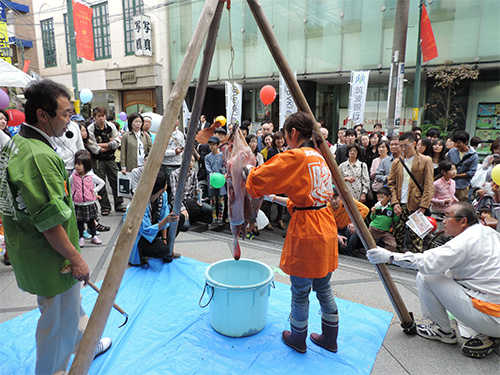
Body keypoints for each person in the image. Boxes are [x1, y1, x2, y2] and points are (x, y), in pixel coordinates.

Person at [0, 79, 111, 374]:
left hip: (37, 248)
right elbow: (49, 222)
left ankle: (84, 344)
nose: (70, 121)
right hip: (51, 253)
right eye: (64, 113)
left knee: (70, 307)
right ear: (42, 114)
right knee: (57, 321)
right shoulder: (38, 156)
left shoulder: (18, 143)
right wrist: (76, 258)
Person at [246, 111, 339, 354]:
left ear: (293, 133)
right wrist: (279, 198)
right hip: (325, 222)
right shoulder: (320, 156)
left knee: (300, 291)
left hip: (308, 229)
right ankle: (330, 338)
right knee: (324, 287)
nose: (284, 140)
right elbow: (309, 197)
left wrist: (248, 170)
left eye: (285, 136)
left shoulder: (296, 156)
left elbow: (259, 180)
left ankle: (298, 337)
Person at [367, 202, 500, 359]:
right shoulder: (488, 232)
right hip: (492, 309)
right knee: (448, 273)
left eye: (447, 216)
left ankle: (443, 331)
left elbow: (426, 262)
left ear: (463, 221)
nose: (443, 221)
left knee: (426, 276)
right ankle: (484, 332)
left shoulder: (462, 242)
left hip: (490, 316)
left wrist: (390, 256)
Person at [388, 132, 434, 253]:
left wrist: (424, 206)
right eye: (400, 146)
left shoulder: (425, 160)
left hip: (416, 203)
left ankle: (415, 261)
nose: (403, 149)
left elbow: (429, 185)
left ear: (414, 144)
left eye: (405, 146)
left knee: (416, 237)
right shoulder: (397, 162)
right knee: (397, 234)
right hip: (399, 203)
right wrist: (394, 202)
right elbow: (391, 183)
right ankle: (397, 258)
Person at [125, 171, 182, 266]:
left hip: (154, 229)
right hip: (138, 236)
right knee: (163, 250)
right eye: (166, 184)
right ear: (161, 189)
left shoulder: (163, 195)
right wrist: (166, 221)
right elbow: (145, 230)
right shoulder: (140, 203)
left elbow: (164, 215)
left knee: (179, 219)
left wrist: (165, 239)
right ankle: (142, 253)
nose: (166, 186)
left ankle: (162, 245)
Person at [87, 106, 125, 215]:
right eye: (98, 116)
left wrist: (103, 145)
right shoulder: (91, 129)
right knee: (100, 182)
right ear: (94, 117)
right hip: (98, 160)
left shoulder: (111, 126)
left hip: (111, 158)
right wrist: (109, 145)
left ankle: (119, 204)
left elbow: (117, 143)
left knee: (115, 180)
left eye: (103, 116)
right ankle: (105, 207)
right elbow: (94, 148)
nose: (101, 119)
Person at [70, 150, 105, 247]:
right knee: (79, 221)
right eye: (76, 164)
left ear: (86, 165)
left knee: (91, 220)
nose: (77, 166)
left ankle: (94, 236)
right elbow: (68, 184)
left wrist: (94, 191)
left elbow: (102, 182)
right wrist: (72, 194)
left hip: (89, 202)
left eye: (79, 164)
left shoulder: (91, 175)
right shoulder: (73, 176)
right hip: (78, 203)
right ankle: (81, 237)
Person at [170, 155, 213, 228]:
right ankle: (185, 216)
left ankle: (193, 217)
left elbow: (196, 190)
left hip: (190, 201)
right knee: (185, 226)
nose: (190, 162)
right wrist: (182, 209)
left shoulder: (193, 174)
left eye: (192, 161)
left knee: (209, 208)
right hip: (180, 202)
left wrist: (199, 199)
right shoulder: (174, 174)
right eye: (188, 160)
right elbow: (175, 196)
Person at [329, 188, 369, 257]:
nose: (333, 201)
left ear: (340, 197)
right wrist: (337, 236)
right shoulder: (327, 208)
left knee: (356, 230)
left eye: (335, 198)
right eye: (331, 199)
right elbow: (327, 226)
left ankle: (349, 253)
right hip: (335, 230)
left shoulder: (347, 200)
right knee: (335, 242)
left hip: (348, 227)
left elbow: (365, 209)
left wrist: (354, 223)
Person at [447, 131, 479, 202]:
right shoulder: (452, 152)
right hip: (449, 185)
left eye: (458, 143)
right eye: (455, 142)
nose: (456, 145)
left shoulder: (473, 156)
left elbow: (471, 172)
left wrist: (456, 176)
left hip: (463, 186)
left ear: (466, 142)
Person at [368, 187, 399, 251]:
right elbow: (372, 218)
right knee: (370, 245)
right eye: (378, 197)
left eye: (382, 197)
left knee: (393, 245)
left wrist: (397, 215)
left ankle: (384, 255)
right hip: (374, 229)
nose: (380, 200)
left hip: (385, 231)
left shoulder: (391, 208)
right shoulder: (377, 207)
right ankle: (371, 256)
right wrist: (373, 212)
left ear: (389, 197)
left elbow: (395, 220)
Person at [205, 136, 226, 225]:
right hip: (212, 180)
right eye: (210, 144)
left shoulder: (223, 155)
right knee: (212, 200)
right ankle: (214, 218)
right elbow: (208, 168)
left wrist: (224, 174)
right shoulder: (207, 157)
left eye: (214, 144)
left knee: (221, 200)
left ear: (218, 145)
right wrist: (213, 175)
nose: (212, 146)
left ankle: (220, 218)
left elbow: (225, 166)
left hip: (221, 179)